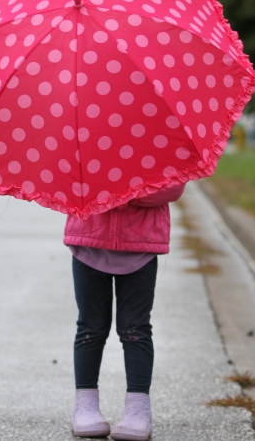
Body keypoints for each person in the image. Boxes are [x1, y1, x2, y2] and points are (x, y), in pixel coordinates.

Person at [64, 183, 187, 441]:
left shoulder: (159, 142)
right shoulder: (83, 143)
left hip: (140, 244)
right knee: (90, 327)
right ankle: (85, 405)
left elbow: (172, 187)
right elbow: (68, 183)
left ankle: (137, 409)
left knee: (135, 328)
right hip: (89, 240)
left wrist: (124, 192)